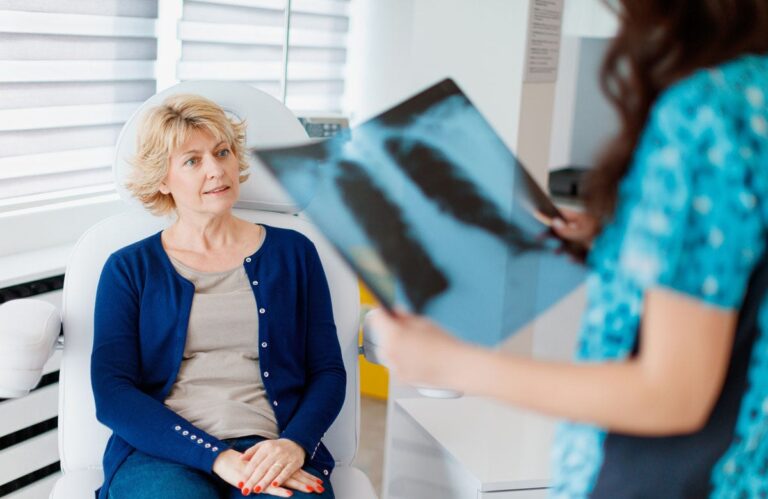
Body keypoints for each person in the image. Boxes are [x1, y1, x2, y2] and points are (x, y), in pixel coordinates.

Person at [370, 1, 768, 497]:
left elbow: (672, 394)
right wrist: (618, 239)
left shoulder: (707, 111)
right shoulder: (756, 95)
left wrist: (448, 363)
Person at [91, 94, 345, 499]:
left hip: (269, 447)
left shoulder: (294, 253)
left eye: (222, 152)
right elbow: (112, 393)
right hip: (162, 453)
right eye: (192, 160)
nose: (216, 169)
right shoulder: (128, 269)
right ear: (161, 179)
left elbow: (328, 371)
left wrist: (295, 444)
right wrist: (217, 457)